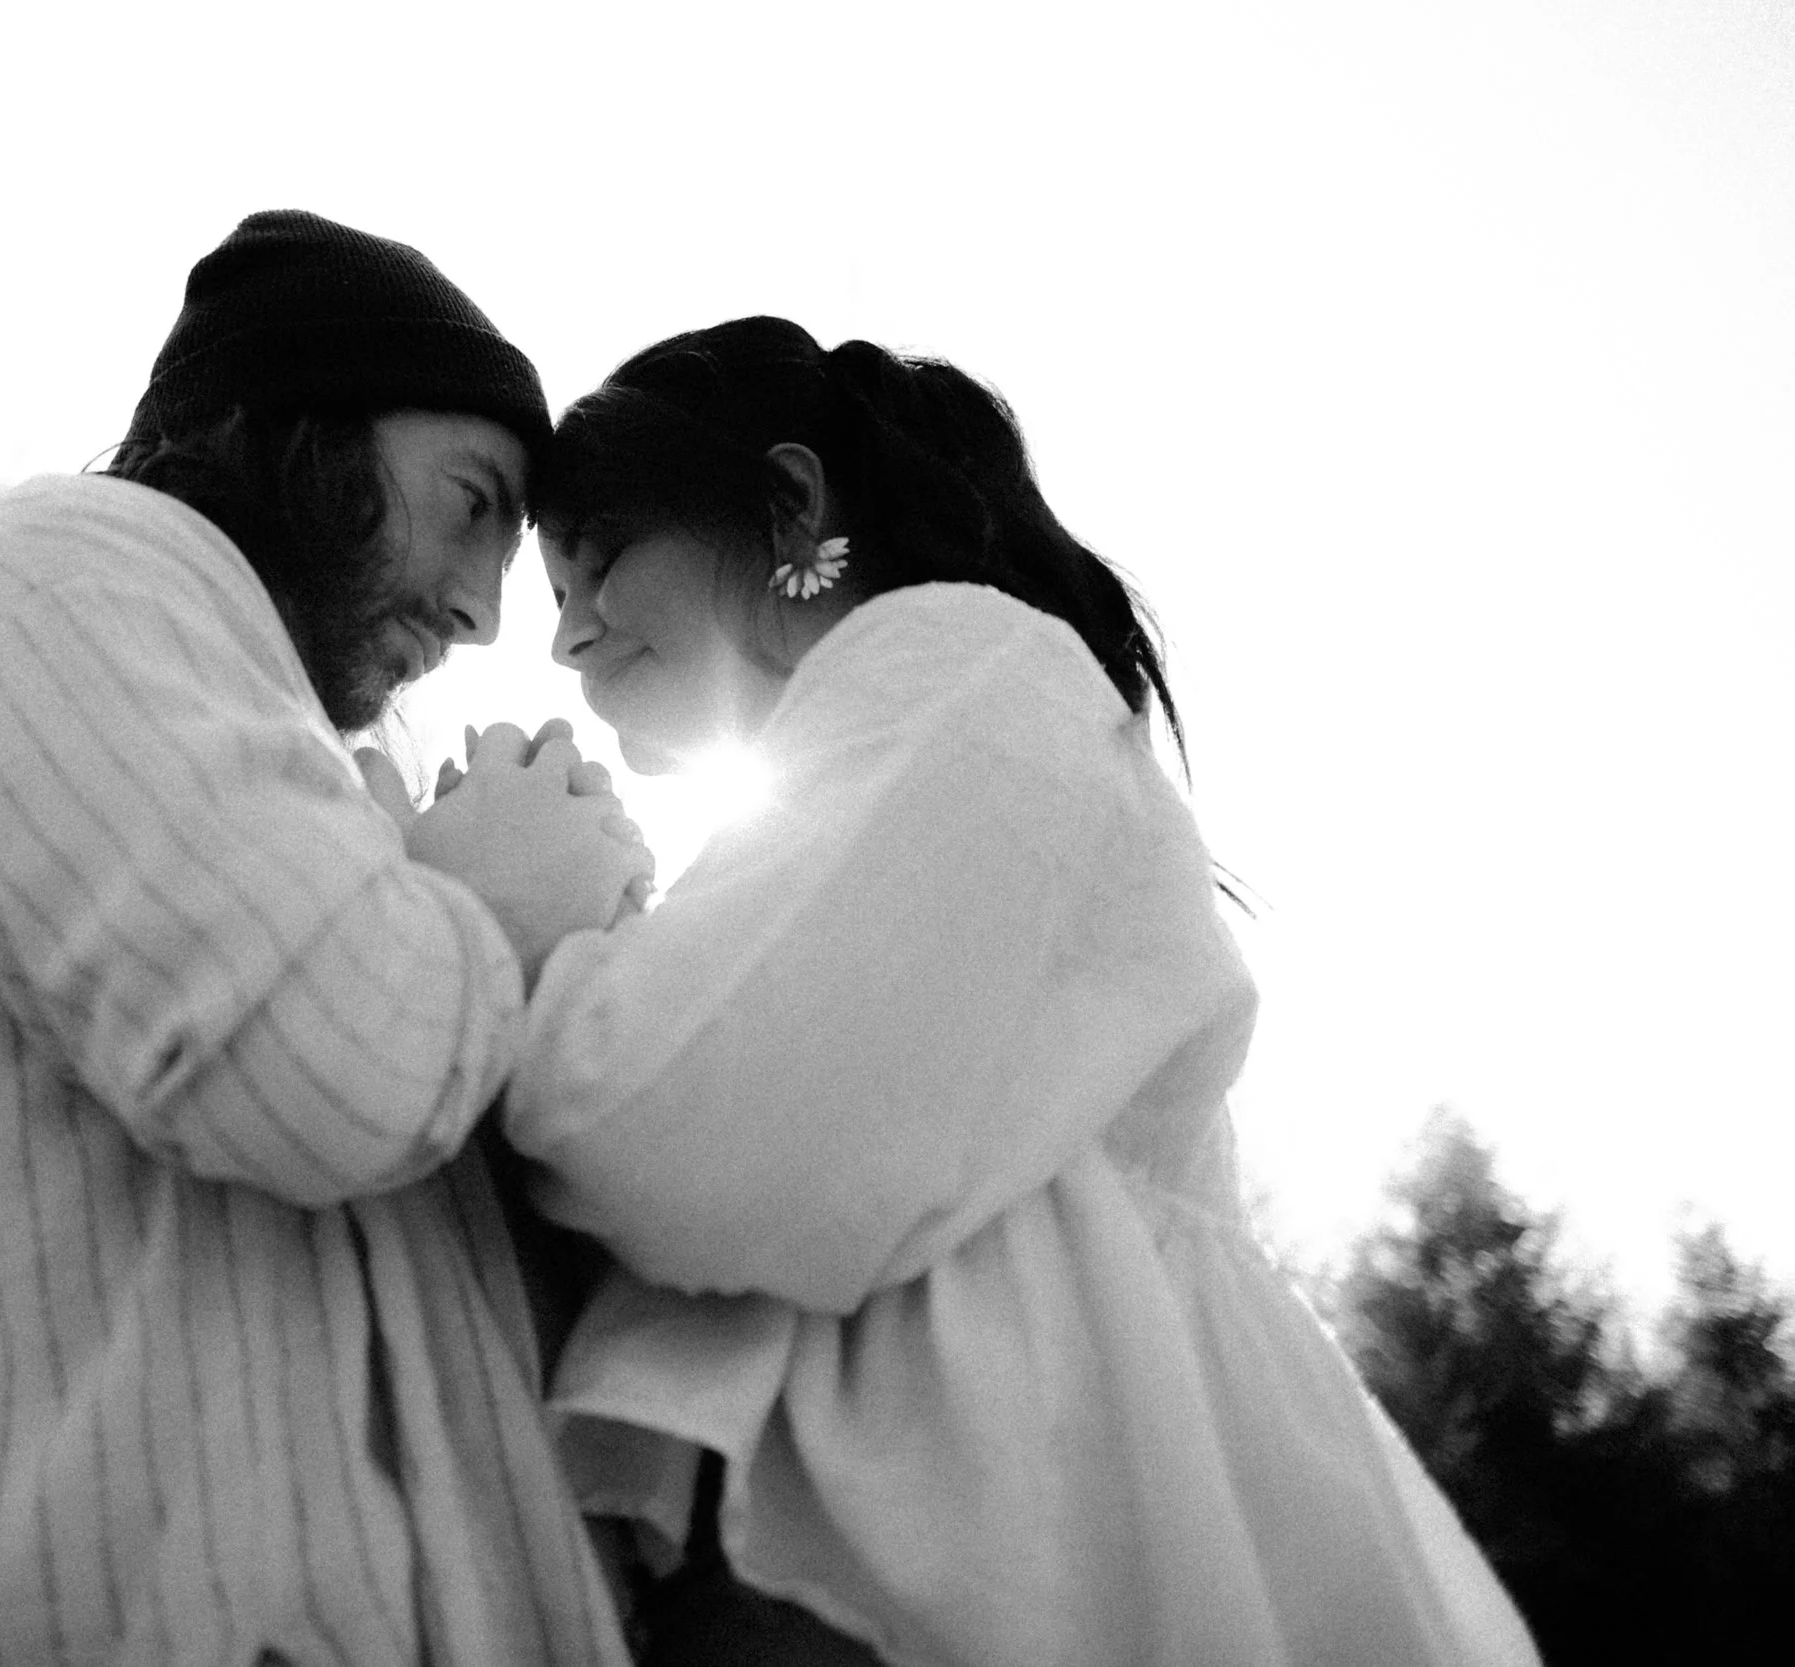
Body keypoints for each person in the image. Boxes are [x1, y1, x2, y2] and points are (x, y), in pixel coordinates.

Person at [0, 211, 647, 1666]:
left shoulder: (292, 744)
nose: (483, 612)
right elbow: (326, 1068)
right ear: (301, 424)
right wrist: (510, 897)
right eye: (471, 502)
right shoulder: (67, 573)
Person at [495, 315, 1543, 1665]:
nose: (568, 639)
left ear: (790, 503)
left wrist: (524, 911)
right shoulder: (889, 767)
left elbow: (671, 1130)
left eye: (598, 562)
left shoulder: (966, 663)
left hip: (1011, 1526)